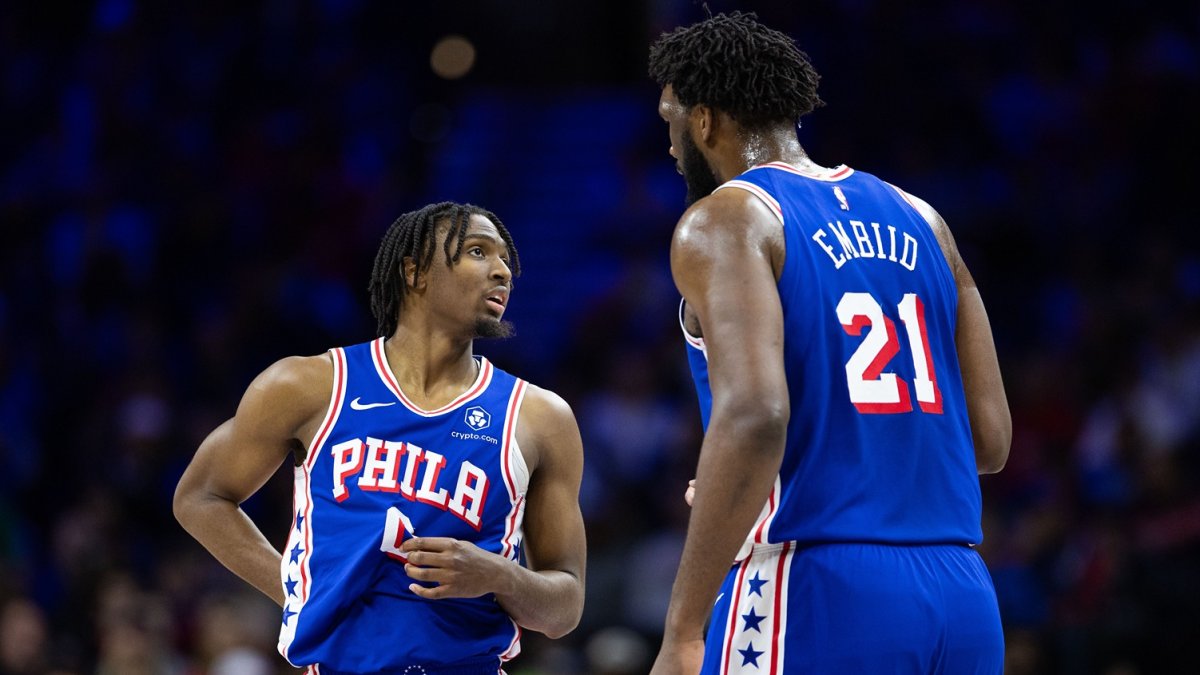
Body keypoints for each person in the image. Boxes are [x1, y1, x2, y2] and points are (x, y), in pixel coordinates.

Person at [646, 12, 1011, 674]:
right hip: (962, 595)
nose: (671, 147)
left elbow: (756, 417)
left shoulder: (727, 218)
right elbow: (989, 439)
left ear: (704, 121)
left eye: (671, 120)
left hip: (814, 584)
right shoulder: (926, 219)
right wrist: (752, 480)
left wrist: (682, 631)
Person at [174, 202, 587, 674]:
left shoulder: (539, 417)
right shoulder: (309, 386)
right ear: (414, 272)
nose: (502, 272)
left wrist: (498, 575)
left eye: (506, 263)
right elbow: (201, 498)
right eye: (478, 252)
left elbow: (565, 608)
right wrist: (300, 590)